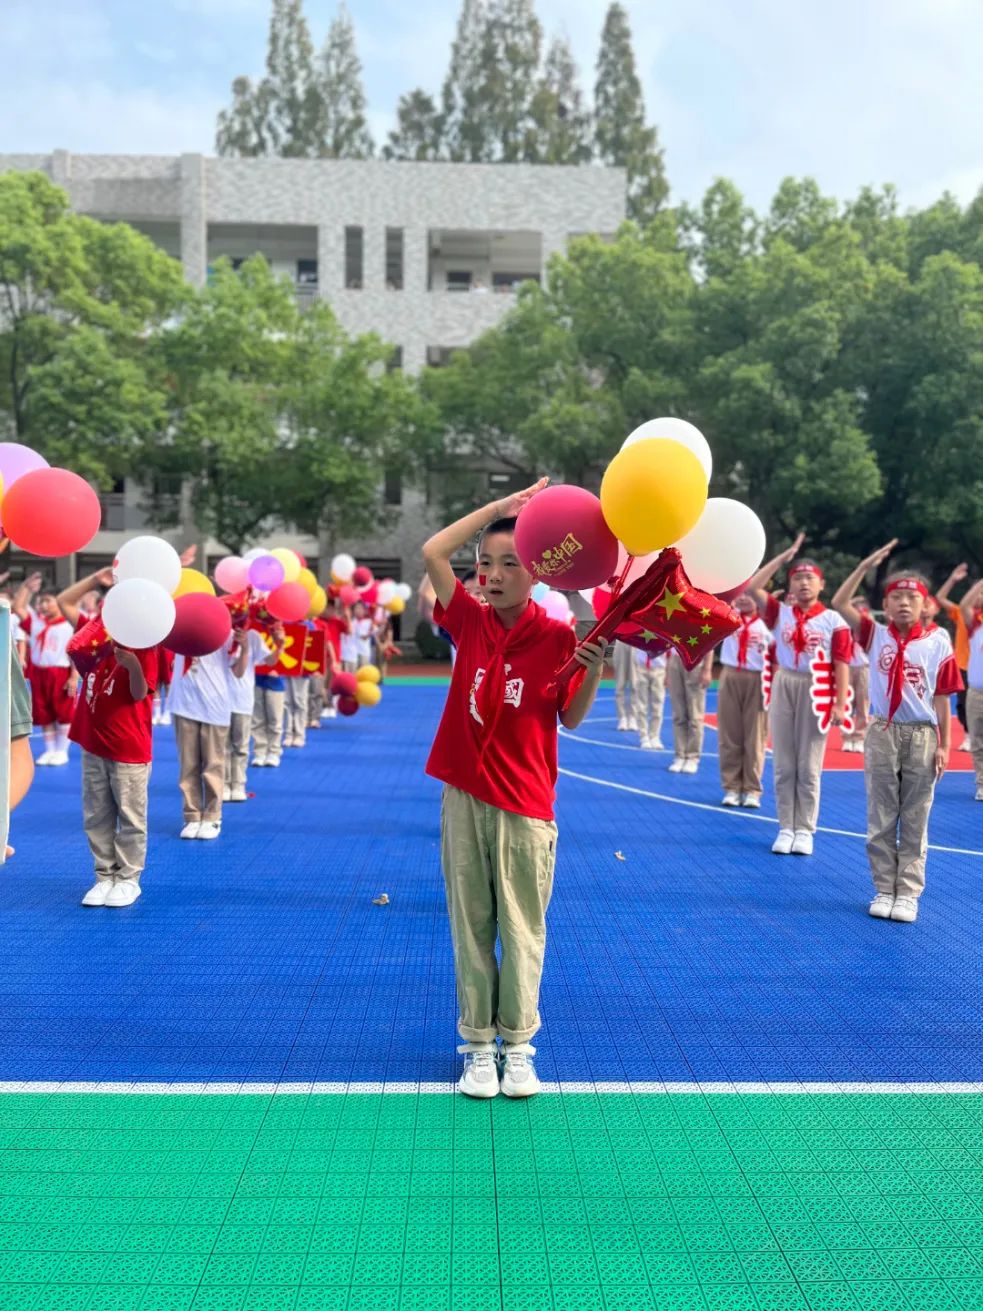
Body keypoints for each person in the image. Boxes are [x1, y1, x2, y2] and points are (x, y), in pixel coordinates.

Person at [422, 479, 606, 1100]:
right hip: (464, 798)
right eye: (486, 563)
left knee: (523, 928)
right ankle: (478, 1045)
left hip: (525, 807)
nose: (493, 576)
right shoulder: (468, 620)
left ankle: (519, 1046)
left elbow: (571, 717)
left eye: (509, 564)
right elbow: (432, 552)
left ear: (537, 574)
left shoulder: (557, 638)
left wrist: (594, 667)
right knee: (471, 924)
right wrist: (499, 512)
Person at [833, 543, 962, 923]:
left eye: (912, 598)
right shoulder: (874, 635)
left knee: (916, 815)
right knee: (881, 813)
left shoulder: (938, 642)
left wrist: (945, 745)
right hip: (883, 731)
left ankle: (908, 892)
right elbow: (839, 602)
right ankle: (883, 887)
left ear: (925, 605)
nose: (904, 603)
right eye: (896, 598)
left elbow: (942, 698)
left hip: (922, 734)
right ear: (885, 606)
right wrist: (864, 565)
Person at [748, 534, 851, 855]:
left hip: (816, 687)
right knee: (784, 763)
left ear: (822, 585)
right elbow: (753, 587)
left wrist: (838, 703)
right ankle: (785, 827)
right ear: (790, 585)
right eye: (797, 578)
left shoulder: (833, 621)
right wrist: (784, 556)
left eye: (810, 578)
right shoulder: (779, 613)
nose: (804, 583)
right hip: (785, 682)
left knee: (808, 765)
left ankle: (805, 829)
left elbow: (841, 663)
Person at [67, 615, 159, 907]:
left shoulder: (146, 645)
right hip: (93, 742)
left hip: (128, 747)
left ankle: (129, 878)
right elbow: (72, 631)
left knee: (130, 815)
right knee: (96, 814)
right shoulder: (97, 640)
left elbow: (139, 694)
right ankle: (104, 875)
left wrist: (132, 665)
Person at [168, 642, 247, 840]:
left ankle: (212, 816)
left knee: (213, 764)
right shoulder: (178, 627)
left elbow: (238, 672)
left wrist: (244, 647)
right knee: (188, 765)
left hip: (214, 704)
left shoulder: (228, 632)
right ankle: (192, 815)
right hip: (184, 702)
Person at [13, 572, 76, 766]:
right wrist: (26, 588)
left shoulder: (69, 625)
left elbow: (75, 653)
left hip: (60, 673)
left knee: (63, 713)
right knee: (43, 712)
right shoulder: (37, 622)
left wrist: (74, 677)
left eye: (48, 601)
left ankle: (62, 750)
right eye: (41, 602)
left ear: (60, 602)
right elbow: (18, 607)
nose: (43, 605)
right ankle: (49, 750)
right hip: (39, 673)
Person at [716, 593, 770, 807]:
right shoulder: (728, 616)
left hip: (757, 678)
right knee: (729, 734)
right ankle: (731, 787)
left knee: (755, 736)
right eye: (741, 594)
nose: (745, 598)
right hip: (731, 674)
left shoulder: (768, 623)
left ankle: (752, 789)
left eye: (750, 594)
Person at [225, 622, 280, 803]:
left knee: (240, 746)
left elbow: (270, 661)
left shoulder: (253, 636)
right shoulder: (218, 631)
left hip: (242, 699)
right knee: (222, 747)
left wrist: (280, 646)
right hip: (219, 699)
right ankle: (224, 784)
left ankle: (238, 785)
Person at [937, 563, 974, 752]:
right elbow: (940, 598)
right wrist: (952, 579)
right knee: (963, 703)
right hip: (964, 665)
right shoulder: (960, 613)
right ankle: (969, 735)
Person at [666, 648, 714, 774]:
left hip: (695, 659)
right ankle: (680, 755)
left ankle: (692, 757)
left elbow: (710, 644)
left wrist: (707, 669)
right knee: (678, 714)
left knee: (695, 715)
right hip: (675, 659)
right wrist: (667, 667)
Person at [960, 577, 983, 801]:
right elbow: (964, 605)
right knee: (977, 740)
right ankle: (982, 782)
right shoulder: (976, 624)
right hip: (977, 692)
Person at [840, 597, 871, 754]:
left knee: (862, 705)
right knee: (846, 703)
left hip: (864, 668)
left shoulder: (868, 628)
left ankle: (859, 737)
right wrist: (852, 601)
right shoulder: (845, 626)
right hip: (847, 667)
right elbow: (841, 607)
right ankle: (846, 737)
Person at [633, 647, 666, 750]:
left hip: (659, 668)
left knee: (658, 704)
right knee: (641, 704)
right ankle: (644, 736)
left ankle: (655, 736)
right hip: (641, 667)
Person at [613, 641, 637, 732]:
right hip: (621, 641)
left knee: (635, 684)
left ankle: (633, 717)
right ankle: (622, 717)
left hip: (636, 642)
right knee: (620, 684)